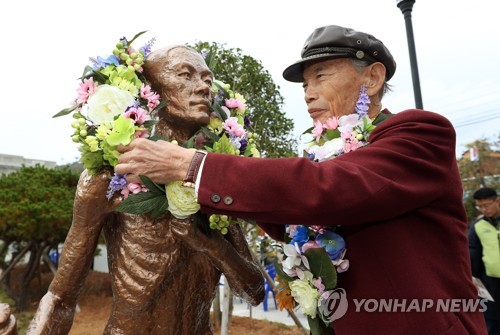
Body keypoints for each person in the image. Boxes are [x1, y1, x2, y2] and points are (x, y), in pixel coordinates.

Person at [115, 25, 488, 334]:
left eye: (320, 76)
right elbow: (290, 215)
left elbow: (326, 189)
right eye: (304, 84)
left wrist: (193, 166)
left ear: (372, 78)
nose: (308, 93)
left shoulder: (420, 133)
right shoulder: (329, 153)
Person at [27, 45, 264, 335]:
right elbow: (61, 298)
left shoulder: (214, 181)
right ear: (150, 91)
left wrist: (214, 245)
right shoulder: (108, 179)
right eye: (185, 75)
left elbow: (255, 292)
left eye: (207, 79)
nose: (202, 86)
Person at [469, 187, 500, 334]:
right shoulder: (477, 226)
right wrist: (473, 276)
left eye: (486, 205)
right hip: (491, 280)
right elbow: (473, 252)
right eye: (479, 206)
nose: (483, 210)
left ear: (497, 201)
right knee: (493, 318)